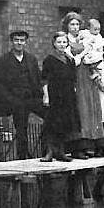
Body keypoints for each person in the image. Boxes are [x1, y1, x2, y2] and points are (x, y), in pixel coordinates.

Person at [64, 12, 104, 158]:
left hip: (87, 75)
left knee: (92, 107)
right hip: (75, 76)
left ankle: (96, 144)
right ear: (67, 25)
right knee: (81, 109)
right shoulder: (65, 40)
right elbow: (71, 60)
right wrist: (84, 52)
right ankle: (80, 146)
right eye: (72, 24)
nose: (75, 27)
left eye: (77, 24)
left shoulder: (86, 38)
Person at [0, 29, 45, 160]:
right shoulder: (4, 60)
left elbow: (38, 79)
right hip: (16, 100)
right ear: (12, 42)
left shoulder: (31, 59)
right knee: (21, 129)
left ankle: (48, 150)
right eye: (16, 40)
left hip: (31, 98)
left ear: (25, 42)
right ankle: (23, 156)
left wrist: (43, 95)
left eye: (22, 40)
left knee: (51, 115)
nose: (19, 43)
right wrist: (11, 99)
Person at [41, 31, 79, 162]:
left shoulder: (70, 60)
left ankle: (61, 152)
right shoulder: (49, 59)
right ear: (54, 44)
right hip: (54, 95)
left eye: (64, 42)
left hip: (67, 96)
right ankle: (50, 152)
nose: (62, 45)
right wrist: (46, 96)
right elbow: (44, 79)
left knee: (64, 124)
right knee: (52, 124)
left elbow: (74, 80)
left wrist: (73, 94)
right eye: (59, 42)